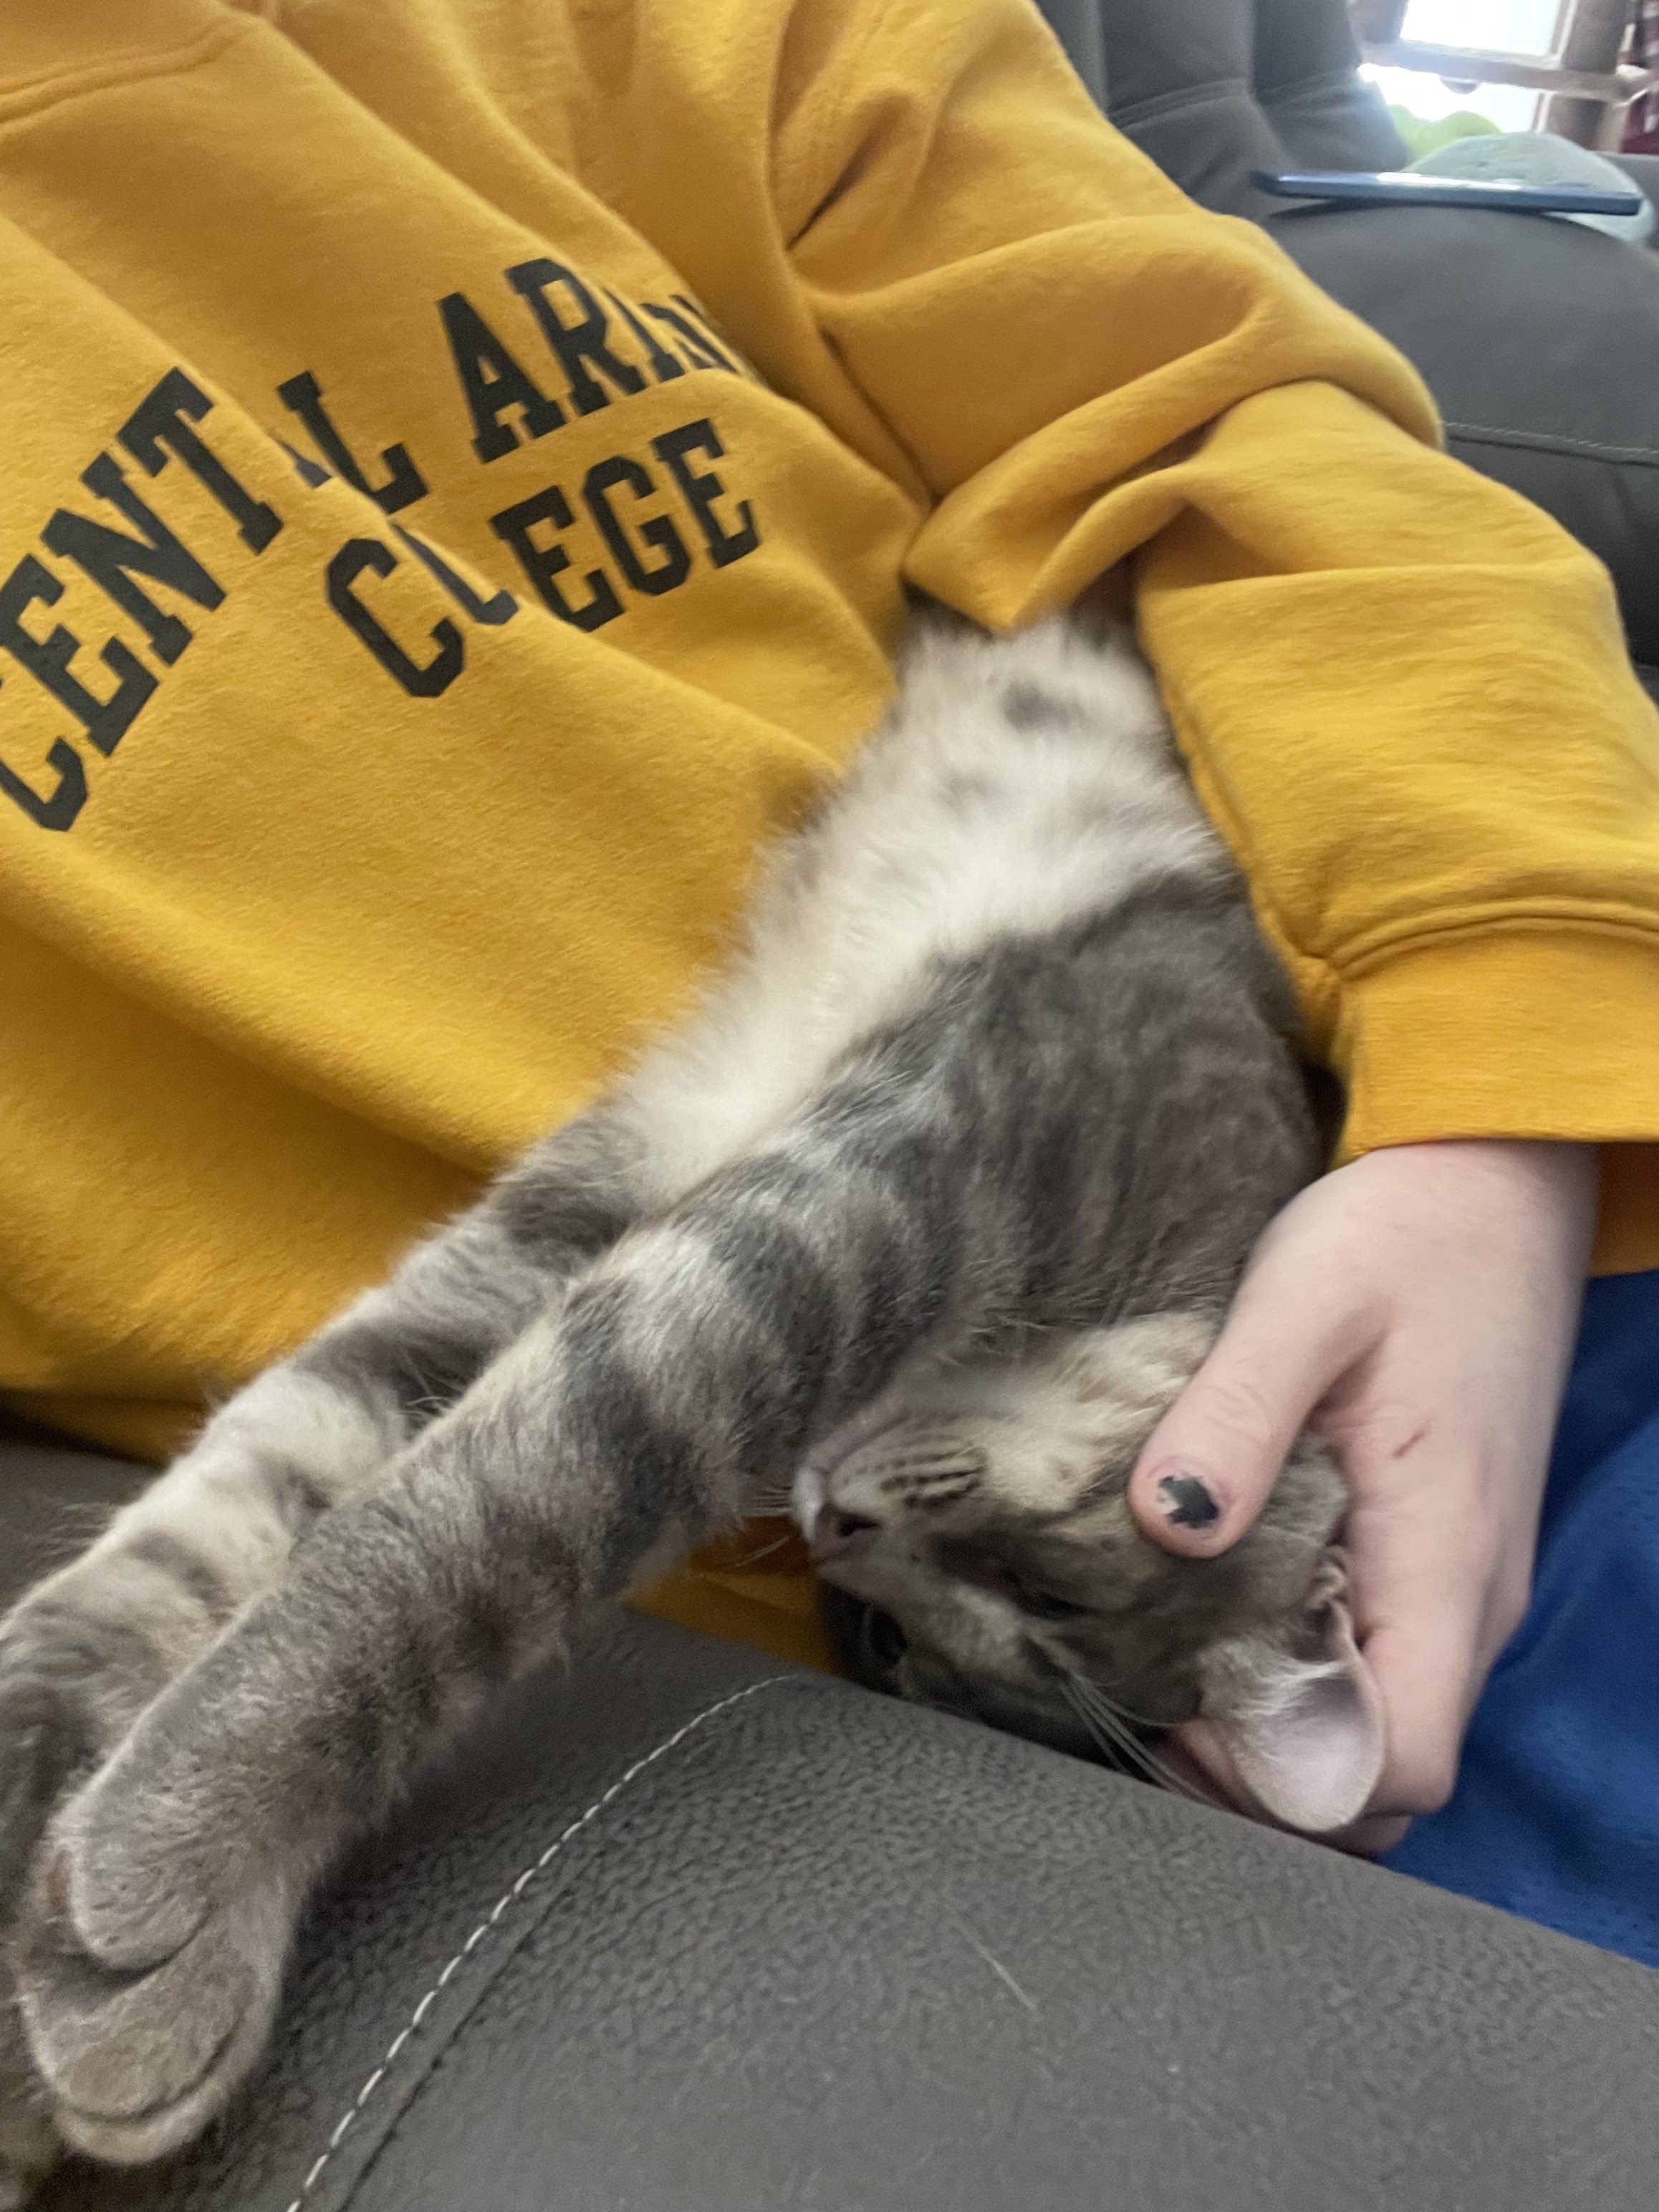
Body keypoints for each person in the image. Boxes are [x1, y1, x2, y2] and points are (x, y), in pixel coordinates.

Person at [1, 0, 1655, 1953]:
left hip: (1481, 1141)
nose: (859, 1533)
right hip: (729, 1720)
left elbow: (1231, 417)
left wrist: (1504, 1117)